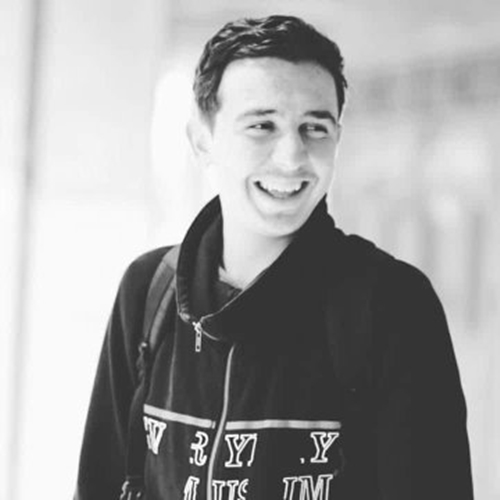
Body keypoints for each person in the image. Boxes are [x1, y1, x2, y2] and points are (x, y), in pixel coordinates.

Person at [74, 15, 474, 500]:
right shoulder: (148, 293)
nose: (291, 157)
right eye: (262, 125)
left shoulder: (392, 305)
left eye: (314, 128)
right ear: (202, 140)